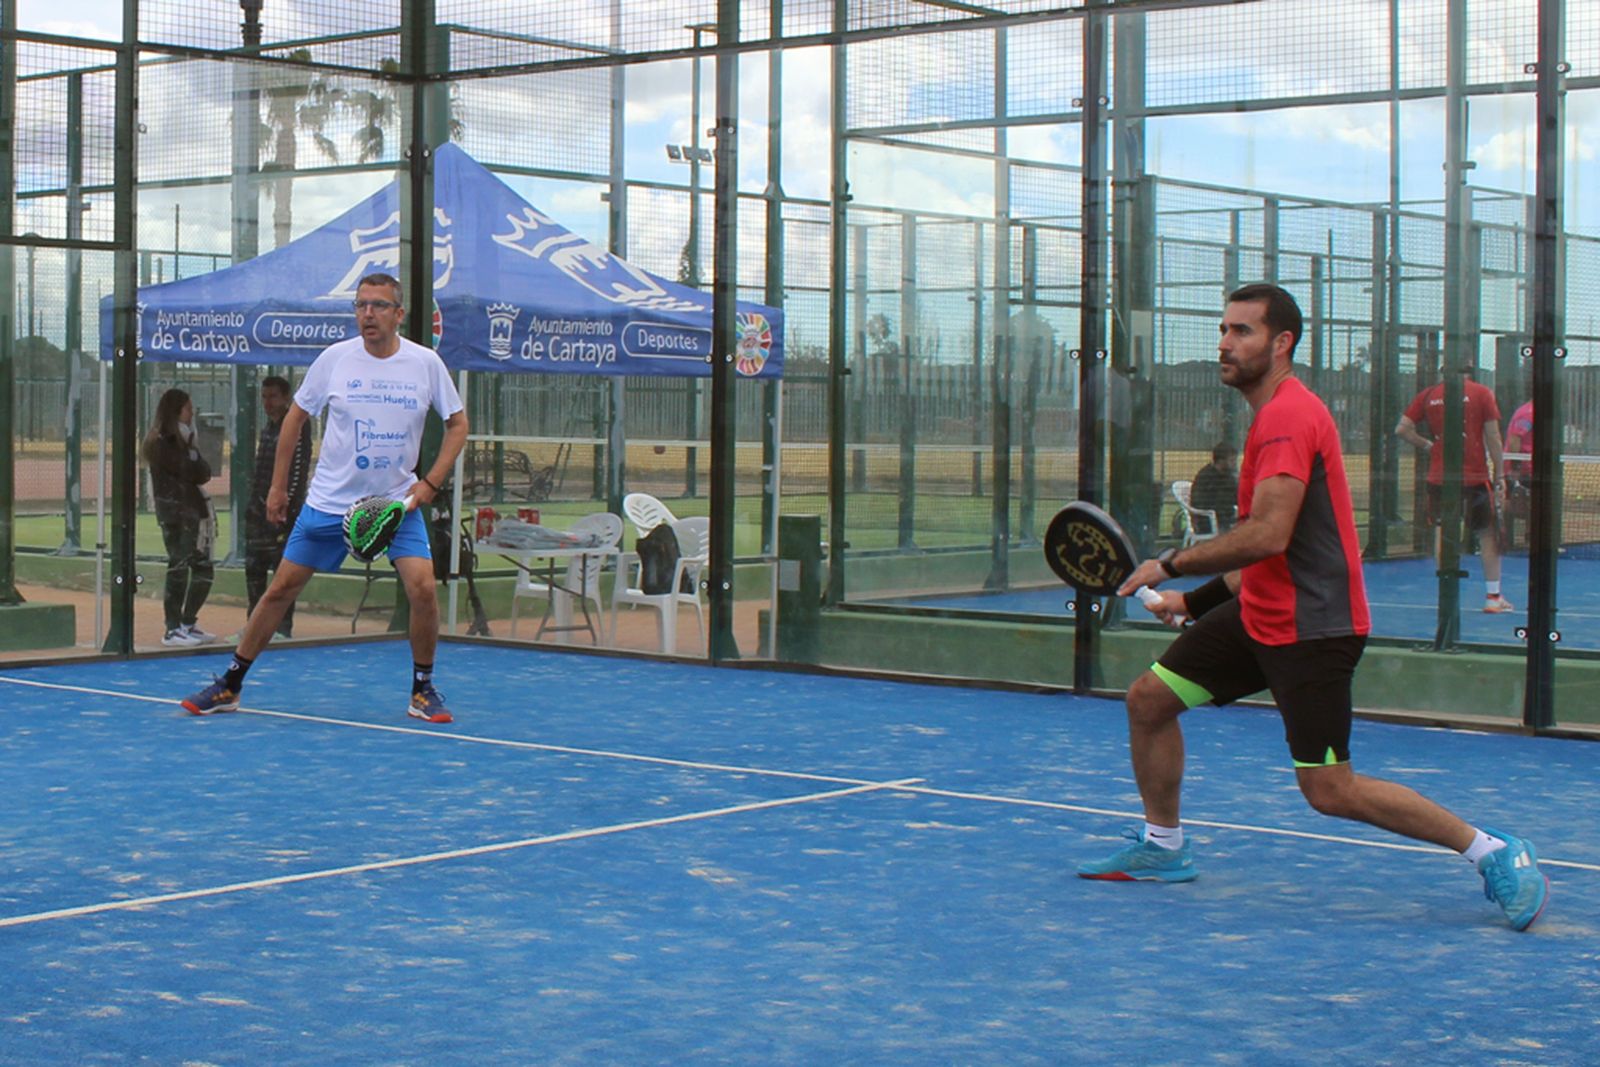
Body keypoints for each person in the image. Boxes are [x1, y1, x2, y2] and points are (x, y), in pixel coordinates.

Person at [1080, 284, 1549, 932]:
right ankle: (1164, 847)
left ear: (1281, 343)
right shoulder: (1267, 418)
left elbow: (1267, 534)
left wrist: (1171, 564)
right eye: (1223, 329)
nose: (1224, 343)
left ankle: (1493, 850)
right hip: (1261, 615)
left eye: (1242, 331)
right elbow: (1267, 554)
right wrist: (1194, 602)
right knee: (1149, 700)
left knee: (1330, 790)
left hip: (1313, 630)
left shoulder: (1288, 418)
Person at [180, 273, 470, 723]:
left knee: (424, 589)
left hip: (396, 506)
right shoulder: (334, 359)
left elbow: (458, 424)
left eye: (377, 306)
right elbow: (295, 419)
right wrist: (278, 487)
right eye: (360, 306)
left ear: (398, 314)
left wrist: (429, 483)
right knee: (280, 590)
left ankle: (423, 690)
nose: (367, 314)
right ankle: (230, 684)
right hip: (330, 503)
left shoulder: (425, 363)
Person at [1396, 370, 1512, 613]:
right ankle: (1493, 597)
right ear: (1468, 370)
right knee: (1487, 534)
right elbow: (1493, 436)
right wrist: (1500, 473)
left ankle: (1446, 596)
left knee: (1442, 530)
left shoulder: (1429, 395)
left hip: (1439, 478)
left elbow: (1402, 429)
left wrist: (1430, 446)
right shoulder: (1482, 393)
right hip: (1475, 477)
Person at [143, 388, 220, 647]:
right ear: (177, 411)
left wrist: (193, 453)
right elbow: (188, 471)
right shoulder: (162, 441)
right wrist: (192, 455)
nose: (192, 413)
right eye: (188, 408)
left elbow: (204, 472)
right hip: (175, 515)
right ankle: (172, 628)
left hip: (193, 512)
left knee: (203, 568)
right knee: (179, 566)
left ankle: (188, 621)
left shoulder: (188, 441)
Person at [242, 375, 312, 640]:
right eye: (264, 397)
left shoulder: (296, 427)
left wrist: (285, 508)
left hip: (282, 516)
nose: (267, 403)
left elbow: (296, 472)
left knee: (283, 575)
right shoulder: (268, 429)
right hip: (257, 514)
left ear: (285, 398)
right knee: (254, 572)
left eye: (272, 397)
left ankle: (281, 629)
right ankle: (253, 628)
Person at [1189, 442, 1239, 532]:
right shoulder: (1205, 476)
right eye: (1232, 460)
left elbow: (1237, 497)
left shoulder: (1228, 476)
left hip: (1226, 519)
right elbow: (1198, 503)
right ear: (1221, 461)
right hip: (1208, 521)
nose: (1235, 463)